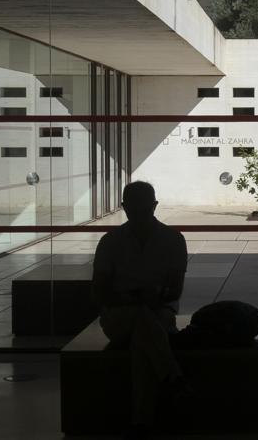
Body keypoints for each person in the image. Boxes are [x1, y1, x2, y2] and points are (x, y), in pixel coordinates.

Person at [91, 181, 189, 437]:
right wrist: (144, 299)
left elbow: (102, 290)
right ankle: (171, 377)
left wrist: (132, 299)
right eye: (137, 207)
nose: (139, 212)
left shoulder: (112, 242)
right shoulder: (171, 240)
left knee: (141, 338)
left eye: (142, 207)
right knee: (145, 321)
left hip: (134, 317)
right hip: (139, 317)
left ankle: (142, 420)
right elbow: (100, 292)